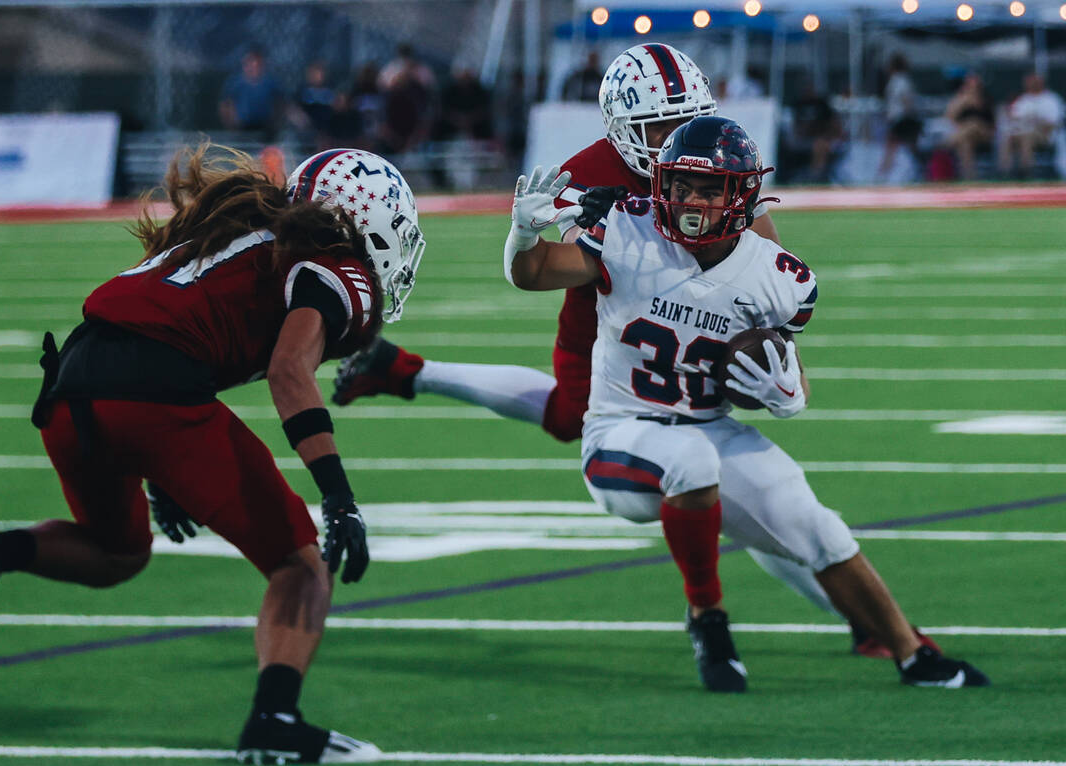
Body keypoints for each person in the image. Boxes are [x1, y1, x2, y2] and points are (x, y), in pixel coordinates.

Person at [331, 43, 919, 673]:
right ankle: (404, 370)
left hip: (687, 312)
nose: (673, 137)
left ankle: (868, 625)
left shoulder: (709, 151)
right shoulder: (590, 171)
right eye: (658, 128)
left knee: (757, 498)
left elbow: (757, 250)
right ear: (621, 128)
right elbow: (547, 266)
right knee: (575, 419)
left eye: (682, 119)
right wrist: (540, 234)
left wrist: (766, 333)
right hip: (610, 311)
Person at [0, 145, 426, 764]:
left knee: (116, 552)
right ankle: (275, 721)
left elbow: (163, 319)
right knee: (300, 563)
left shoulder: (233, 230)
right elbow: (291, 370)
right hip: (152, 396)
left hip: (71, 384)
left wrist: (161, 472)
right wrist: (337, 494)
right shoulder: (332, 267)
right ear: (364, 218)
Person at [500, 117, 990, 692]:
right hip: (620, 434)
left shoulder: (780, 279)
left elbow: (794, 389)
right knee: (691, 461)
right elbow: (531, 275)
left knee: (818, 528)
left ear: (742, 195)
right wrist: (523, 235)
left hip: (710, 427)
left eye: (709, 189)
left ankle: (914, 656)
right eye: (680, 185)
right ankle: (709, 619)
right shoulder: (627, 230)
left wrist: (782, 395)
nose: (691, 202)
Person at [998, 72, 1064, 179]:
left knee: (1026, 137)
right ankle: (1005, 173)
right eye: (1028, 82)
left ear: (1040, 83)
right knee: (1008, 138)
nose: (1030, 84)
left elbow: (1054, 123)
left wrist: (1034, 122)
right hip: (1023, 132)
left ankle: (1026, 173)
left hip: (1045, 136)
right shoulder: (1023, 100)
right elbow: (1013, 119)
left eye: (1033, 82)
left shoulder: (1051, 99)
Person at [878, 54, 922, 183]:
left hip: (901, 120)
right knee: (904, 147)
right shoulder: (899, 80)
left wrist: (907, 118)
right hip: (899, 119)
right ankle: (885, 174)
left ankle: (883, 174)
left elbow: (906, 100)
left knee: (893, 147)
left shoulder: (900, 80)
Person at [219, 47, 281, 140]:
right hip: (242, 128)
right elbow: (225, 105)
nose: (254, 67)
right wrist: (231, 124)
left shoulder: (270, 83)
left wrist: (275, 123)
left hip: (265, 128)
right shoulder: (235, 83)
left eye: (258, 64)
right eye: (250, 64)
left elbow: (279, 104)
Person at [943, 72, 994, 181]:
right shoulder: (960, 98)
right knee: (965, 143)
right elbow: (949, 116)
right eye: (969, 84)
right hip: (966, 134)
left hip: (984, 132)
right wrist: (962, 100)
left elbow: (987, 119)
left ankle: (947, 143)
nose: (972, 87)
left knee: (972, 123)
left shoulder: (985, 97)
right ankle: (969, 177)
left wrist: (972, 97)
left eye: (974, 84)